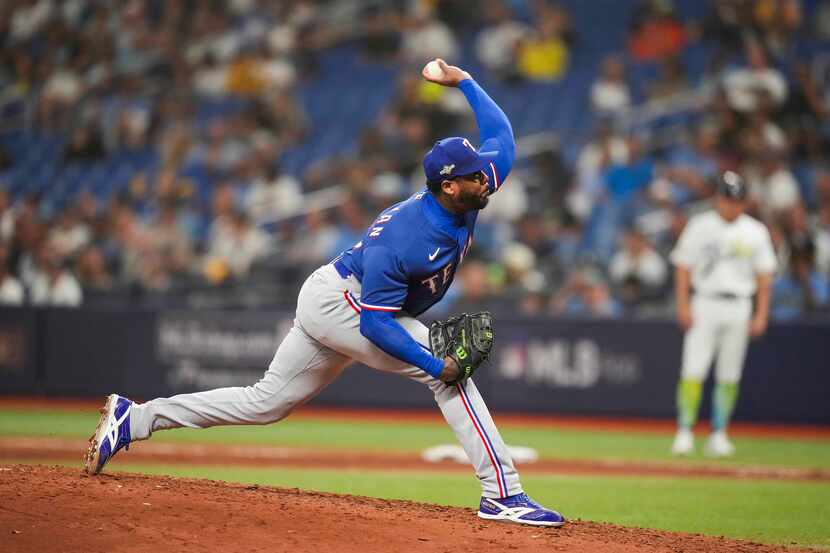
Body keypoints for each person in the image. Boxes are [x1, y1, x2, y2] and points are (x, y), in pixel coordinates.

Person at [83, 59, 565, 528]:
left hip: (340, 297)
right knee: (448, 375)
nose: (486, 178)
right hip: (344, 303)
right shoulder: (406, 236)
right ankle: (502, 495)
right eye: (474, 175)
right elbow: (375, 324)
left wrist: (464, 81)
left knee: (264, 403)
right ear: (447, 185)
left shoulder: (472, 188)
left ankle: (136, 419)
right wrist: (437, 365)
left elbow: (503, 138)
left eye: (482, 172)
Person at [669, 172, 776, 457]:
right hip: (705, 302)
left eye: (737, 200)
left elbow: (765, 276)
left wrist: (761, 313)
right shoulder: (700, 226)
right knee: (693, 369)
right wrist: (683, 304)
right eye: (728, 200)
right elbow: (683, 266)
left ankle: (719, 433)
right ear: (718, 199)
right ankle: (684, 431)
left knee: (729, 374)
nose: (732, 206)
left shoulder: (755, 231)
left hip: (740, 303)